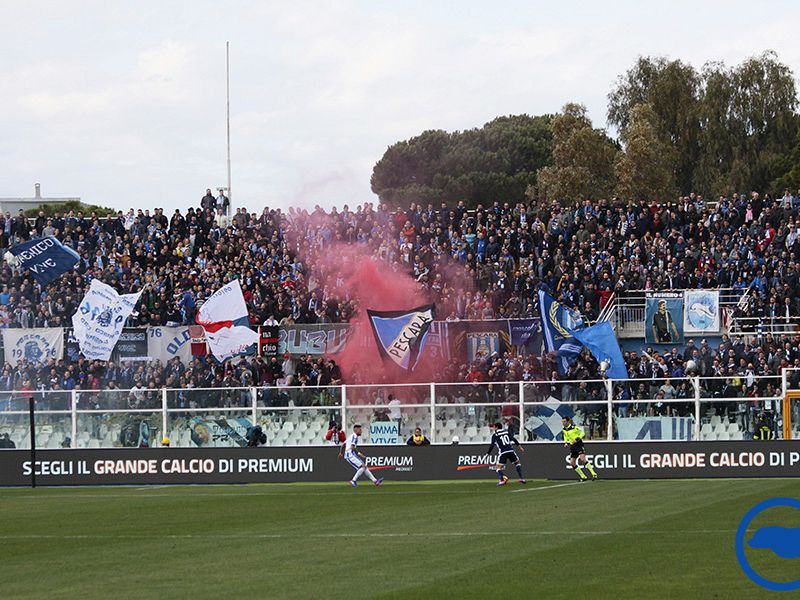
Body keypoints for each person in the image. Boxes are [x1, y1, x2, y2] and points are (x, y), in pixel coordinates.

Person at [486, 422, 526, 486]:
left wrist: (488, 453)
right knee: (517, 463)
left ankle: (502, 480)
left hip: (503, 452)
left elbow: (492, 445)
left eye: (494, 427)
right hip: (510, 451)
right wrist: (520, 447)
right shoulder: (506, 432)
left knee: (498, 467)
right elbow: (513, 439)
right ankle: (521, 478)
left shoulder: (495, 435)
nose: (493, 428)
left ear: (496, 427)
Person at [562, 416, 598, 481]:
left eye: (564, 421)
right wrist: (566, 442)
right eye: (562, 422)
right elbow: (565, 436)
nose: (563, 423)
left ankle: (594, 474)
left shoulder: (574, 427)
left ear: (568, 421)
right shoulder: (564, 429)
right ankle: (583, 476)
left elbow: (582, 433)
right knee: (572, 463)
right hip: (572, 446)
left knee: (582, 459)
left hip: (578, 444)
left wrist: (577, 439)